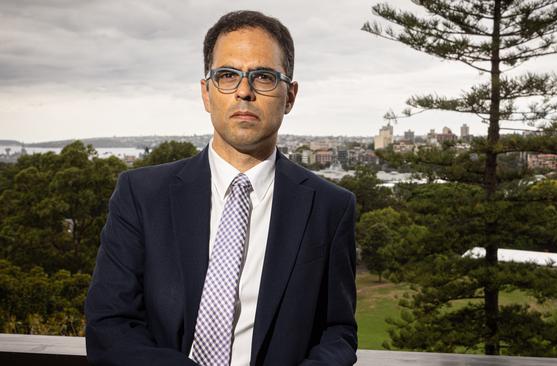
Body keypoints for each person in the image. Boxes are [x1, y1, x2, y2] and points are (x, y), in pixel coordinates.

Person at [84, 10, 357, 366]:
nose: (244, 91)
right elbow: (110, 325)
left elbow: (337, 333)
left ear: (289, 96)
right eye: (227, 75)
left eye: (263, 77)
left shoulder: (329, 207)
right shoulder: (141, 195)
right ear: (207, 93)